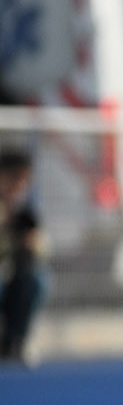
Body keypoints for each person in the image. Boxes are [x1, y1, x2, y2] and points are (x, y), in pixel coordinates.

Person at [0, 149, 46, 364]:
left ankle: (16, 341)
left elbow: (39, 250)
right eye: (14, 178)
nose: (20, 185)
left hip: (14, 280)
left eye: (24, 180)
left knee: (37, 281)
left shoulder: (25, 214)